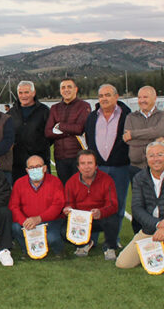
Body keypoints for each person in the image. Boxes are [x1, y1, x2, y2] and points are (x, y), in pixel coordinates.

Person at [117, 142, 164, 269]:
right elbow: (137, 208)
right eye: (151, 156)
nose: (156, 159)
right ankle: (160, 247)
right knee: (123, 264)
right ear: (146, 158)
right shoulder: (139, 178)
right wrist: (157, 224)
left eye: (160, 155)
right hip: (150, 228)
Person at [84, 84, 132, 244]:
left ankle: (112, 239)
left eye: (108, 95)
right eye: (101, 96)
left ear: (116, 97)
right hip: (99, 168)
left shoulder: (127, 115)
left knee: (117, 204)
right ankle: (92, 238)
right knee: (95, 203)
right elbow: (89, 141)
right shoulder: (92, 117)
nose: (104, 98)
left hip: (120, 167)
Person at [63, 150, 121, 259]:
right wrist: (68, 209)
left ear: (96, 166)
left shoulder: (107, 180)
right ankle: (84, 244)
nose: (86, 167)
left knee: (113, 219)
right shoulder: (71, 182)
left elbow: (113, 204)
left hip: (99, 217)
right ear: (78, 167)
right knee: (63, 229)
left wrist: (100, 212)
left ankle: (109, 247)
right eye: (83, 163)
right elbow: (69, 203)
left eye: (90, 163)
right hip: (81, 219)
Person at [9, 155, 65, 259]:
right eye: (31, 167)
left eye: (38, 166)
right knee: (15, 227)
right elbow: (13, 206)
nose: (35, 170)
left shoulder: (55, 182)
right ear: (27, 170)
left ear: (44, 168)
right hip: (27, 221)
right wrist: (24, 221)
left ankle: (59, 251)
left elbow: (58, 206)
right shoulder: (19, 183)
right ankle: (27, 250)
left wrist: (39, 218)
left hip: (51, 220)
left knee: (51, 238)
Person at [45, 78, 92, 185]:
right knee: (65, 192)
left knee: (80, 191)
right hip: (60, 157)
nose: (66, 90)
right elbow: (48, 132)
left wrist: (60, 126)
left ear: (76, 89)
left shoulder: (84, 106)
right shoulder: (54, 108)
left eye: (69, 87)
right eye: (63, 87)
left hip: (79, 157)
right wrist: (70, 131)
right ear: (60, 90)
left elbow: (80, 129)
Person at [7, 80, 51, 182]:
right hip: (17, 163)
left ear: (33, 93)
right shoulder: (11, 113)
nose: (23, 96)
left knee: (41, 192)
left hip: (39, 161)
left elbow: (50, 136)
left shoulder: (44, 111)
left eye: (26, 92)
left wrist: (39, 146)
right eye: (20, 93)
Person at [123, 86, 164, 171]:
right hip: (136, 167)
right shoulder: (131, 117)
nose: (142, 100)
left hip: (158, 167)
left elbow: (159, 131)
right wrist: (155, 142)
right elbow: (128, 139)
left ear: (154, 98)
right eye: (139, 97)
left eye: (145, 97)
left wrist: (133, 134)